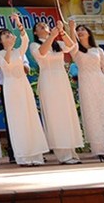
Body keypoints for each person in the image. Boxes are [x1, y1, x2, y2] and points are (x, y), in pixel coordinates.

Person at [0, 14, 49, 166]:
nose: (8, 36)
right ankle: (23, 156)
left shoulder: (20, 51)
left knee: (29, 117)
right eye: (4, 35)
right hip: (10, 87)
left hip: (23, 86)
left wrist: (18, 22)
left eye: (9, 34)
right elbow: (6, 64)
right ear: (0, 41)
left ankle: (35, 155)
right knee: (16, 119)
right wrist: (9, 48)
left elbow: (25, 39)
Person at [30, 21, 83, 165]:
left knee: (66, 113)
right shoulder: (35, 45)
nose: (43, 27)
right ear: (35, 32)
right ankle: (63, 155)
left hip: (61, 79)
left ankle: (71, 151)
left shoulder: (58, 44)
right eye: (39, 26)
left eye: (45, 25)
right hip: (48, 80)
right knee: (55, 115)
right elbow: (41, 53)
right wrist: (52, 36)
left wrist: (63, 31)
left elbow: (72, 46)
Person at [69, 22, 104, 162]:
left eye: (82, 30)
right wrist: (71, 28)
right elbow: (73, 43)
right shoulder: (76, 50)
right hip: (85, 83)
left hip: (100, 81)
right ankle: (100, 151)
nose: (80, 32)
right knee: (92, 114)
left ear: (89, 33)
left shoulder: (98, 50)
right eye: (78, 31)